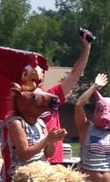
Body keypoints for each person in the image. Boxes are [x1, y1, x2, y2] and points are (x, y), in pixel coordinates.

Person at [20, 31, 93, 163]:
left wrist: (86, 48)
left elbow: (75, 74)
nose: (37, 80)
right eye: (32, 76)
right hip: (33, 164)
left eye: (41, 73)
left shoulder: (52, 95)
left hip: (54, 162)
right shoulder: (20, 101)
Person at [6, 84, 67, 176]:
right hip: (25, 174)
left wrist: (52, 141)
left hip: (42, 172)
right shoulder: (17, 124)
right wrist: (46, 140)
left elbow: (48, 154)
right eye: (33, 97)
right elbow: (24, 154)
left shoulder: (40, 123)